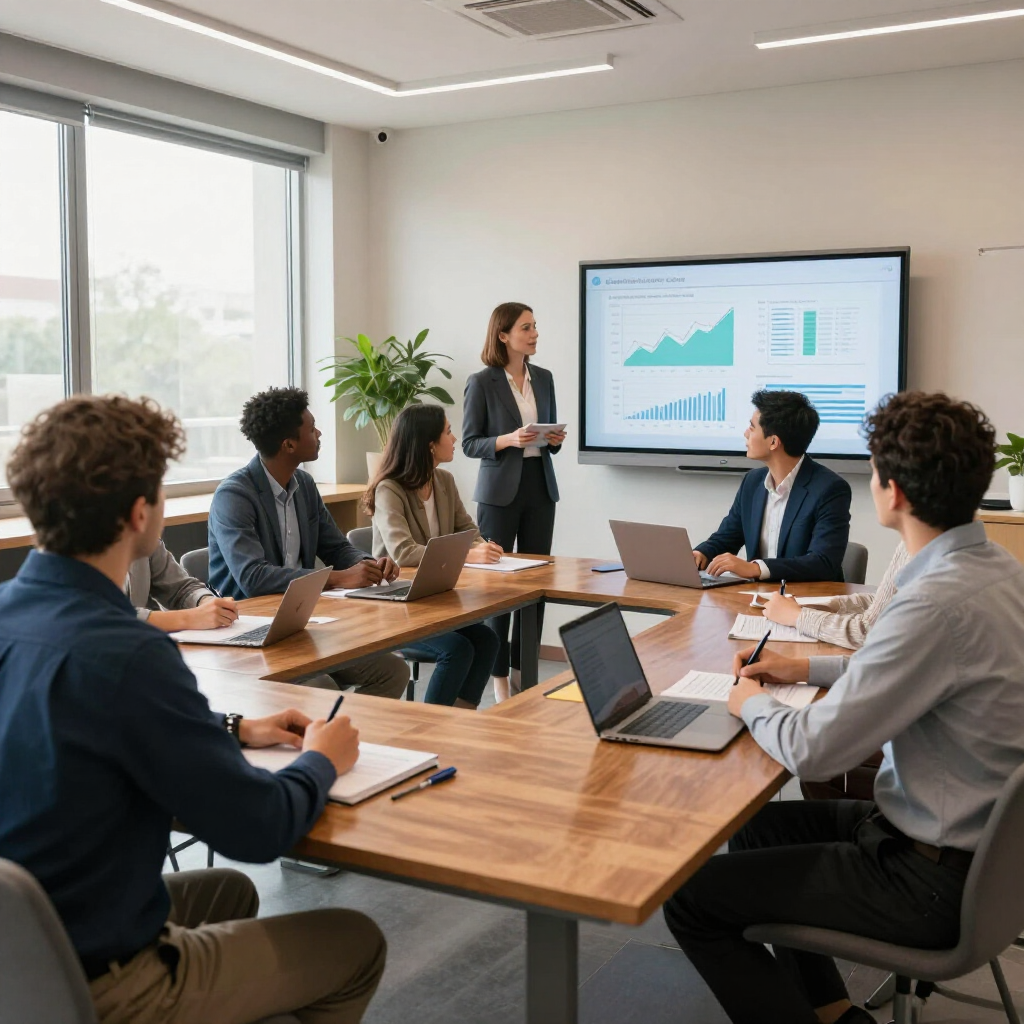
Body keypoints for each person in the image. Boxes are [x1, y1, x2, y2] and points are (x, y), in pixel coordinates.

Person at [0, 394, 386, 1024]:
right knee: (356, 943)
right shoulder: (133, 654)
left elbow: (89, 725)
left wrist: (234, 727)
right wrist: (319, 761)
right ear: (138, 514)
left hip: (21, 948)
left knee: (226, 891)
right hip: (100, 979)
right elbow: (257, 829)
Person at [663, 391, 1024, 1024]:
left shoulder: (933, 601)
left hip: (929, 878)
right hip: (982, 854)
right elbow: (904, 670)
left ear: (893, 492)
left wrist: (750, 702)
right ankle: (833, 1011)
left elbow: (816, 750)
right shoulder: (997, 570)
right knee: (752, 827)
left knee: (692, 901)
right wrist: (799, 667)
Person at [208, 386, 409, 699]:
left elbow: (335, 546)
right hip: (249, 630)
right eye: (311, 428)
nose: (318, 433)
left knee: (393, 671)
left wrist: (366, 564)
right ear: (289, 444)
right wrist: (338, 578)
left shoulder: (304, 484)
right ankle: (331, 742)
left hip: (298, 623)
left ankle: (354, 741)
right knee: (323, 690)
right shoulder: (234, 495)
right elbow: (253, 577)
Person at [366, 404, 502, 707]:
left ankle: (459, 719)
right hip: (399, 604)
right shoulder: (388, 489)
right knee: (457, 649)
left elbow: (467, 529)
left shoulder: (444, 481)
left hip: (436, 599)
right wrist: (469, 555)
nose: (454, 440)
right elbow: (402, 553)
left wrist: (484, 548)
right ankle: (431, 728)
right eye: (448, 432)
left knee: (487, 639)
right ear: (429, 444)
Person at [463, 302, 565, 701]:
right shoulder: (481, 381)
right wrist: (508, 439)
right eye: (526, 327)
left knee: (536, 586)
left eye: (536, 326)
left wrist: (551, 438)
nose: (535, 333)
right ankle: (500, 680)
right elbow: (471, 443)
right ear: (503, 335)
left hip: (540, 487)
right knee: (497, 591)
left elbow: (546, 439)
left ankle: (527, 676)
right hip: (498, 495)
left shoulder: (544, 377)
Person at [694, 389, 852, 581]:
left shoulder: (830, 489)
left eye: (752, 428)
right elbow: (727, 537)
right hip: (757, 598)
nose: (745, 434)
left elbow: (823, 562)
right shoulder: (752, 482)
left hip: (808, 601)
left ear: (774, 442)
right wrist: (701, 554)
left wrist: (756, 568)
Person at [760, 541, 910, 649]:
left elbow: (868, 632)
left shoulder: (920, 553)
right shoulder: (908, 545)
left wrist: (798, 617)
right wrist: (819, 607)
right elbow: (880, 601)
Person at [126, 538, 239, 631]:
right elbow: (112, 616)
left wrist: (206, 602)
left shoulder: (144, 535)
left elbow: (181, 588)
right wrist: (191, 618)